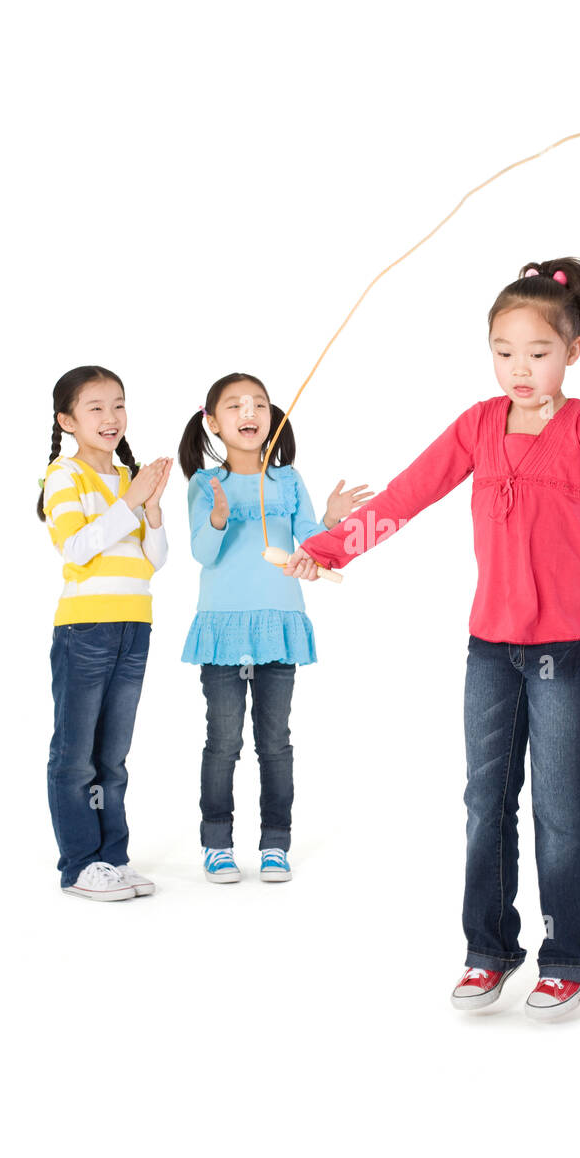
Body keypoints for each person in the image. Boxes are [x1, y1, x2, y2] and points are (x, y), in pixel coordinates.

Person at [286, 258, 580, 1020]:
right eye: (503, 351)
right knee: (486, 801)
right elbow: (408, 495)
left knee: (562, 805)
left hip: (565, 649)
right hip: (490, 647)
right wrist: (328, 549)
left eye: (538, 352)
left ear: (572, 351)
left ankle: (570, 955)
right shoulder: (478, 424)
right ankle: (489, 951)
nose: (519, 367)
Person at [178, 374, 373, 884]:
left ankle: (274, 843)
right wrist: (219, 518)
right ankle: (217, 843)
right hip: (222, 629)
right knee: (222, 743)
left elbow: (308, 541)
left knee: (275, 743)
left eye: (259, 404)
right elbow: (202, 552)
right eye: (236, 405)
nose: (250, 411)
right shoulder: (205, 484)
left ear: (272, 416)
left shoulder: (288, 479)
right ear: (213, 422)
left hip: (277, 626)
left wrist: (329, 521)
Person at [39, 365, 171, 900]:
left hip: (134, 625)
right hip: (86, 627)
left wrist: (153, 509)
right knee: (76, 754)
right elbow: (76, 548)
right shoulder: (63, 476)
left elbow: (152, 562)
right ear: (67, 420)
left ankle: (112, 858)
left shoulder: (128, 482)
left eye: (118, 404)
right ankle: (78, 864)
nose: (111, 416)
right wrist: (133, 501)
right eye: (95, 407)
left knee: (112, 756)